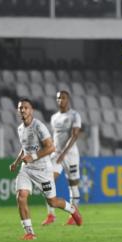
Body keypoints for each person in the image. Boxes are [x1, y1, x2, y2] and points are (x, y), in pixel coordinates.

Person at [10, 98, 82, 240]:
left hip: (43, 169)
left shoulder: (39, 127)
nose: (22, 110)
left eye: (25, 107)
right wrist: (17, 162)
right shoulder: (20, 128)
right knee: (21, 196)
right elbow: (24, 148)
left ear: (31, 110)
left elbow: (51, 147)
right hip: (27, 169)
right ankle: (29, 232)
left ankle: (72, 209)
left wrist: (33, 157)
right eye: (20, 108)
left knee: (52, 202)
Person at [41, 90, 82, 226]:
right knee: (47, 180)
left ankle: (73, 215)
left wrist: (64, 153)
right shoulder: (54, 117)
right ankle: (51, 215)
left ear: (68, 100)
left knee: (73, 185)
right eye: (58, 98)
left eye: (63, 98)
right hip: (56, 154)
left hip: (70, 155)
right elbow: (56, 137)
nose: (60, 100)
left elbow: (75, 135)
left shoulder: (75, 115)